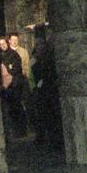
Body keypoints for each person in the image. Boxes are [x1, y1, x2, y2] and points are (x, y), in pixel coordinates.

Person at [29, 23, 62, 151]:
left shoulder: (48, 59)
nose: (39, 47)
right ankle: (50, 140)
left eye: (41, 45)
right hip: (42, 92)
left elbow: (49, 74)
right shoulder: (37, 60)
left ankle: (55, 141)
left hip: (49, 91)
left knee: (52, 118)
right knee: (46, 117)